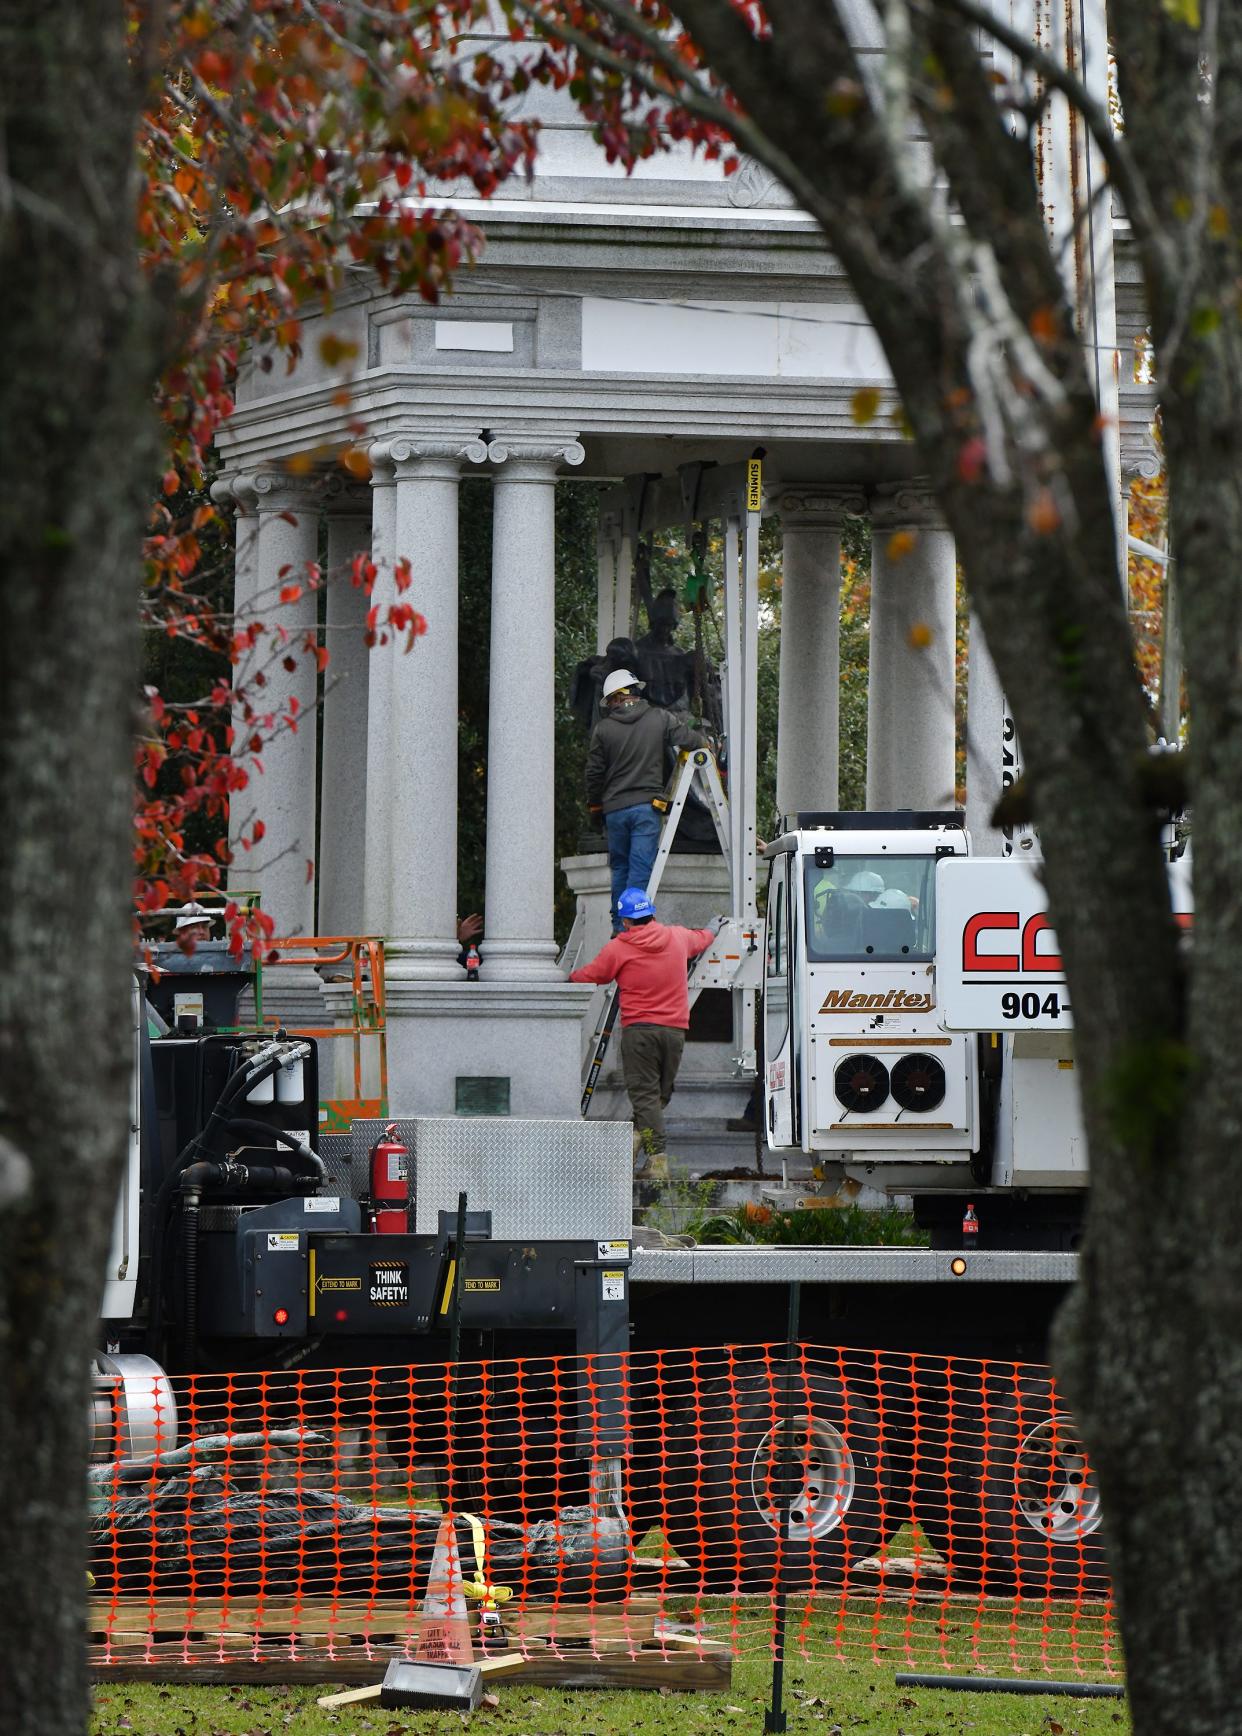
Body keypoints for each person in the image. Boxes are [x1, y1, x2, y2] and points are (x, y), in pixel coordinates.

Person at [570, 888, 718, 1181]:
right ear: (652, 914)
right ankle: (634, 1142)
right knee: (660, 1094)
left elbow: (594, 974)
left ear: (625, 922)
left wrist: (566, 978)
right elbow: (703, 939)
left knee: (646, 1095)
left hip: (639, 1033)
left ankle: (657, 1159)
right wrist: (714, 926)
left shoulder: (619, 948)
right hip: (674, 1032)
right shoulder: (678, 937)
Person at [585, 668, 707, 932]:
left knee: (620, 869)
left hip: (615, 811)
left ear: (614, 700)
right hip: (645, 809)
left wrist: (595, 807)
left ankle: (619, 927)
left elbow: (593, 774)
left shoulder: (603, 729)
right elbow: (691, 740)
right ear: (634, 692)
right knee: (639, 870)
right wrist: (706, 744)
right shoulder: (659, 718)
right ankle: (633, 930)